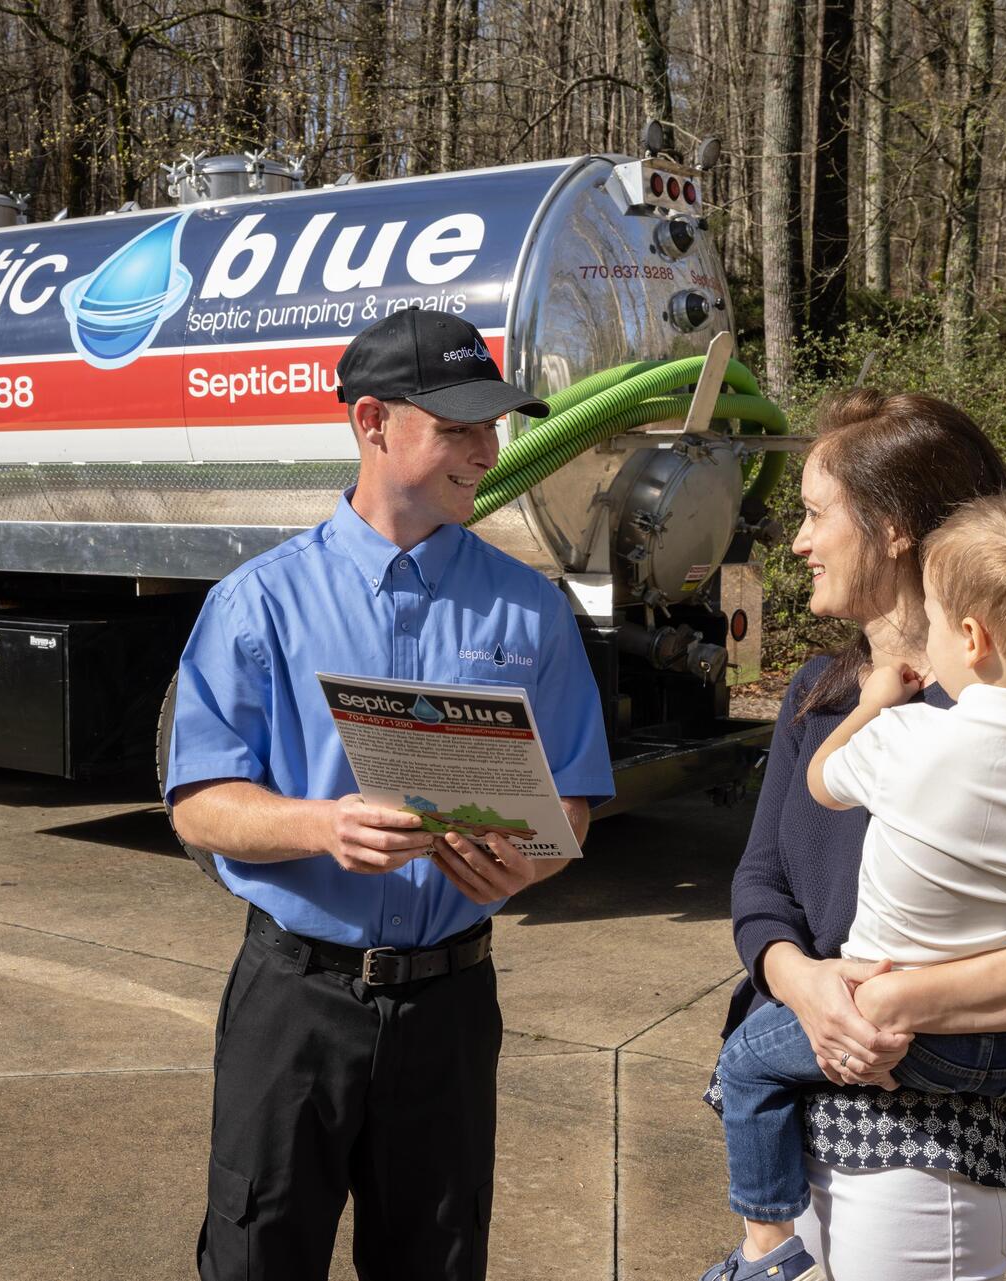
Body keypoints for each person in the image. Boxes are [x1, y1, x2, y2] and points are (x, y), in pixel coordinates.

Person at [165, 307, 615, 1281]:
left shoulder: (530, 609)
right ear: (372, 423)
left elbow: (570, 804)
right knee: (256, 1256)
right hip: (295, 1001)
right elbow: (199, 805)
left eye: (492, 427)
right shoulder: (260, 603)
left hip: (450, 1009)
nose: (485, 450)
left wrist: (524, 867)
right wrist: (320, 826)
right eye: (458, 427)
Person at [707, 390, 1006, 1281]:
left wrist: (905, 1003)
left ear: (892, 528)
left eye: (815, 515)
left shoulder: (1002, 719)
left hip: (925, 1158)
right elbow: (761, 883)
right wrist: (803, 982)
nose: (798, 542)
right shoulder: (821, 691)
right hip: (798, 1114)